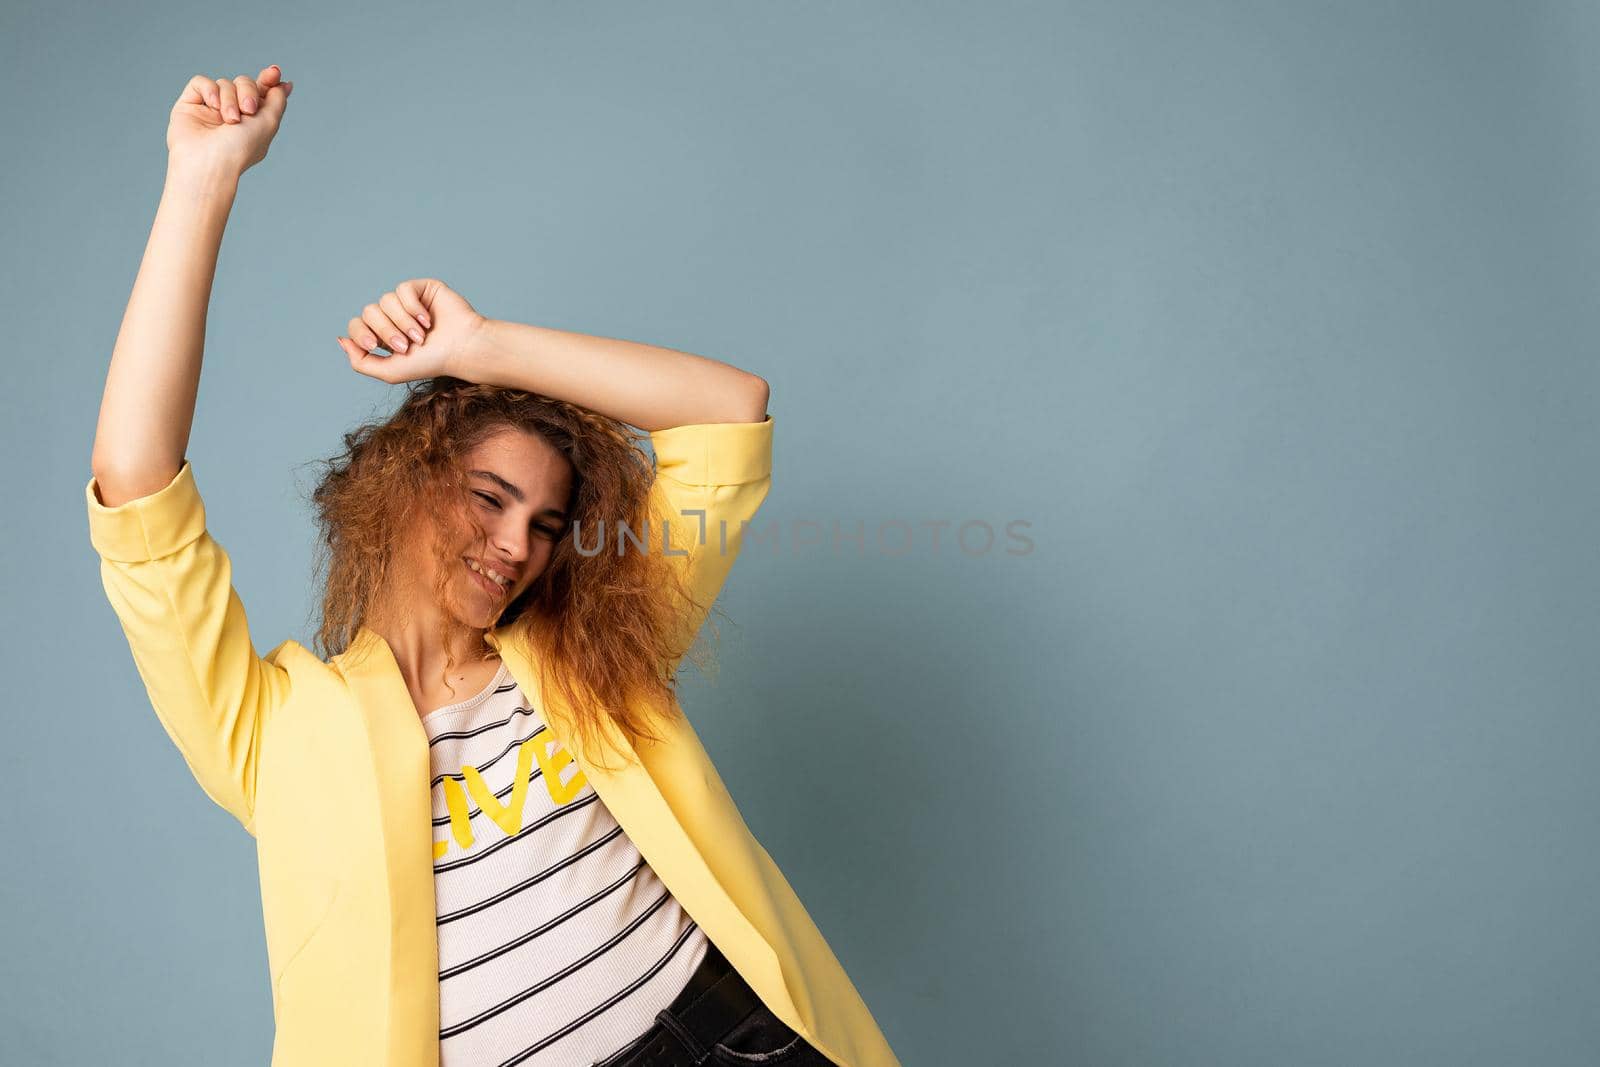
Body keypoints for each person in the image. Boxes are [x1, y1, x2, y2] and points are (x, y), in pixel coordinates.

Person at [86, 64, 900, 1067]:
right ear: (398, 488)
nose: (518, 544)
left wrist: (481, 344)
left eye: (548, 521)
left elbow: (726, 411)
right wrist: (203, 180)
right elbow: (135, 491)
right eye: (488, 498)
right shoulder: (277, 729)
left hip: (733, 1035)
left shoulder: (593, 645)